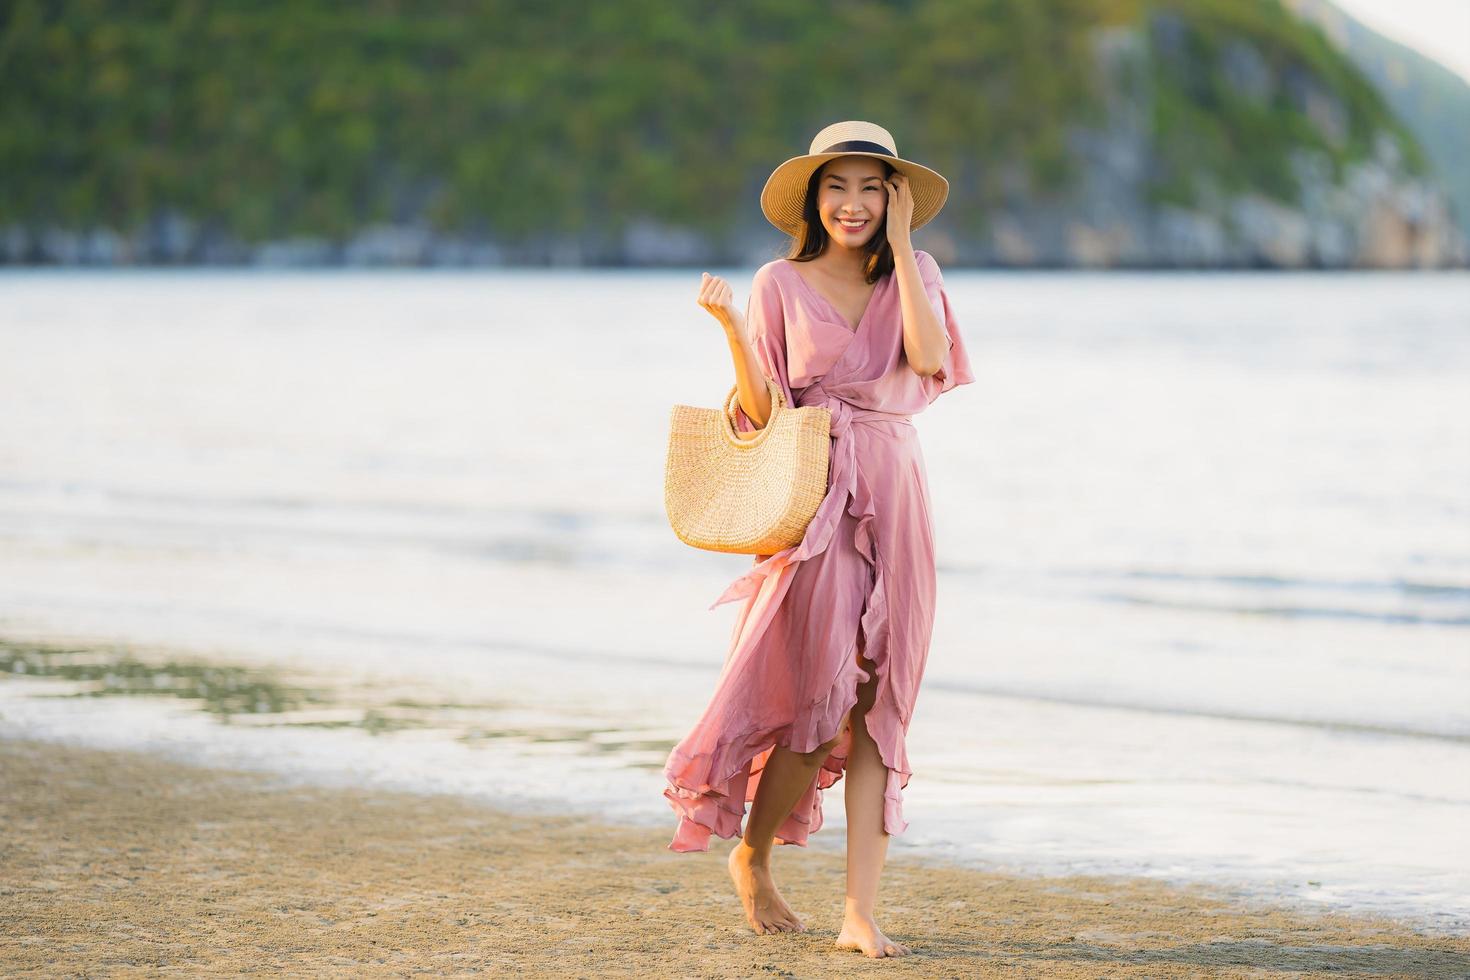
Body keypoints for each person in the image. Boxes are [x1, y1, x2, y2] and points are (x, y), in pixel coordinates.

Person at [662, 120, 975, 959]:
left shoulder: (920, 272)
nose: (853, 203)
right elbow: (764, 414)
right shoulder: (777, 281)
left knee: (881, 707)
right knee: (818, 698)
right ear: (813, 197)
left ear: (895, 198)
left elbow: (930, 355)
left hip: (897, 491)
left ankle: (858, 913)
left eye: (873, 187)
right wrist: (732, 330)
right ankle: (753, 857)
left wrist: (907, 248)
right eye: (837, 186)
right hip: (816, 499)